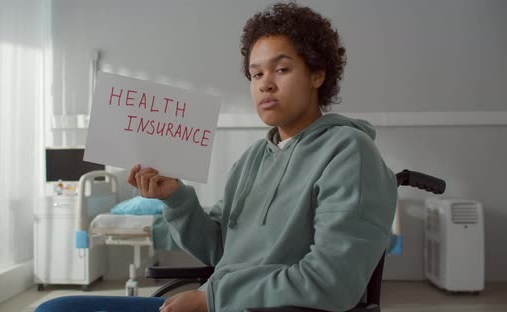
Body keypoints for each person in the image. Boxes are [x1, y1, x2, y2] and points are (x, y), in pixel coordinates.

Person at [36, 2, 397, 312]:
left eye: (281, 69)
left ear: (318, 74)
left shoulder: (349, 152)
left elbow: (332, 281)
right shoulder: (256, 158)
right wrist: (174, 198)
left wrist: (212, 298)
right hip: (224, 301)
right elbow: (220, 250)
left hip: (249, 307)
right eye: (256, 74)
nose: (265, 84)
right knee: (56, 307)